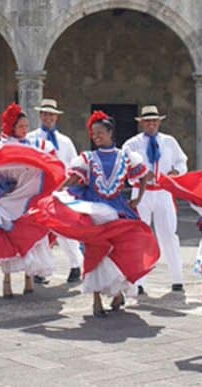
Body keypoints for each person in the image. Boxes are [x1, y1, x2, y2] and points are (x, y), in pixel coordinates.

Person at [46, 111, 157, 317]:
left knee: (119, 251)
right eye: (93, 134)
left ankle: (117, 292)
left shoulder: (126, 157)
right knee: (95, 252)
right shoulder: (87, 158)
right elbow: (73, 178)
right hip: (93, 211)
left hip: (117, 209)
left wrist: (138, 198)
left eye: (100, 133)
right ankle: (96, 299)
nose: (96, 137)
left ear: (110, 133)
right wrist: (58, 192)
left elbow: (143, 176)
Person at [0, 104, 56, 298]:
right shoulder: (0, 146)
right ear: (11, 126)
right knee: (7, 239)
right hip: (9, 198)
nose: (25, 129)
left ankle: (29, 278)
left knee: (31, 239)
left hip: (31, 200)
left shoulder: (36, 145)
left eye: (27, 126)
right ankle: (7, 280)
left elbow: (51, 161)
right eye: (21, 126)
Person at [122, 105, 186, 294]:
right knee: (140, 235)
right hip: (141, 193)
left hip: (163, 192)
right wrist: (139, 175)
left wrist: (178, 171)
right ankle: (139, 281)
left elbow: (182, 160)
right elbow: (125, 166)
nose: (151, 124)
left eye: (154, 121)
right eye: (148, 121)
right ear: (141, 123)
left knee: (169, 234)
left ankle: (177, 278)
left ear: (159, 122)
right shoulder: (132, 144)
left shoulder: (169, 141)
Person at [26, 98, 84, 283]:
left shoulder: (65, 141)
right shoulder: (31, 138)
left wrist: (71, 185)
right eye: (45, 114)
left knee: (65, 229)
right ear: (40, 115)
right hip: (39, 190)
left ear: (56, 117)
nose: (48, 117)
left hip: (62, 190)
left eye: (51, 115)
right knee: (38, 231)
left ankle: (76, 265)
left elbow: (74, 165)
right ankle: (40, 270)